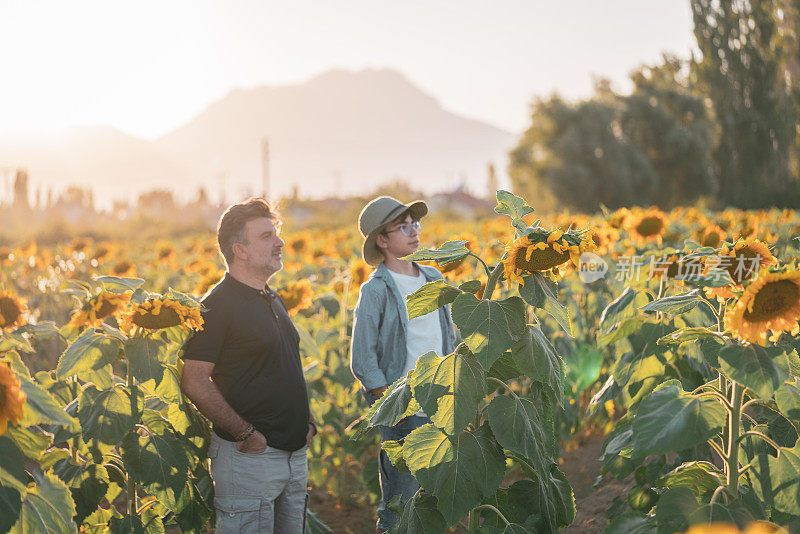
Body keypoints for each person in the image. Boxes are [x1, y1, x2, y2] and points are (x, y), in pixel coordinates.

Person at [181, 197, 317, 534]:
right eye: (267, 236)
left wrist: (307, 419)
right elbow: (195, 380)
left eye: (277, 234)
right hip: (251, 458)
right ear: (240, 250)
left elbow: (283, 365)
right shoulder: (216, 306)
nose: (280, 242)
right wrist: (245, 433)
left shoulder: (272, 297)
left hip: (292, 454)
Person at [350, 196, 457, 533]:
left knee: (435, 494)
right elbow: (362, 357)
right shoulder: (376, 290)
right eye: (404, 227)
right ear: (382, 240)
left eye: (415, 224)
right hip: (403, 405)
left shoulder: (432, 276)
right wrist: (391, 403)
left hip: (439, 400)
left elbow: (446, 335)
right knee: (401, 499)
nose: (414, 232)